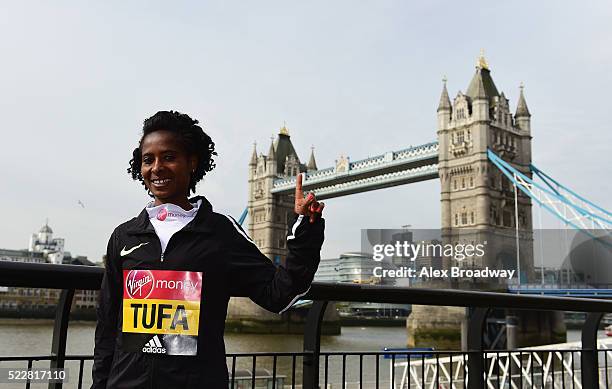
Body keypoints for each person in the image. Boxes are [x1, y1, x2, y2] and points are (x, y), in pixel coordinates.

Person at [91, 111, 325, 388]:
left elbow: (279, 294)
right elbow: (108, 325)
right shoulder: (124, 236)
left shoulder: (220, 233)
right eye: (148, 159)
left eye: (169, 157)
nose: (156, 167)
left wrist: (305, 229)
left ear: (192, 162)